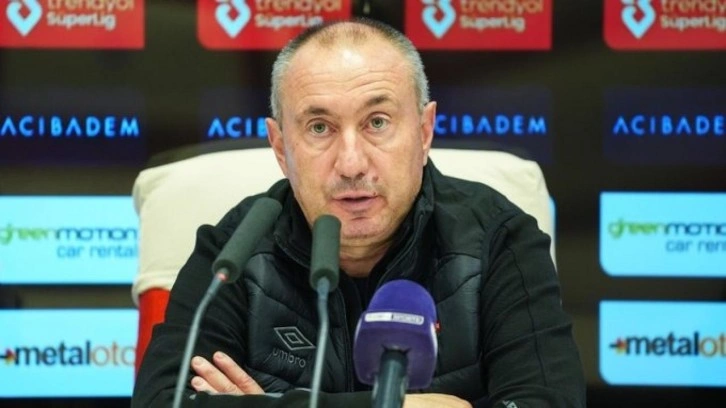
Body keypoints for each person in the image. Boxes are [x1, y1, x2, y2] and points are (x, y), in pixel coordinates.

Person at [132, 18, 586, 408]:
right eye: (319, 127)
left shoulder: (498, 238)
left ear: (424, 131)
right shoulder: (235, 248)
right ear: (280, 147)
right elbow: (162, 401)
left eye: (377, 122)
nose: (351, 163)